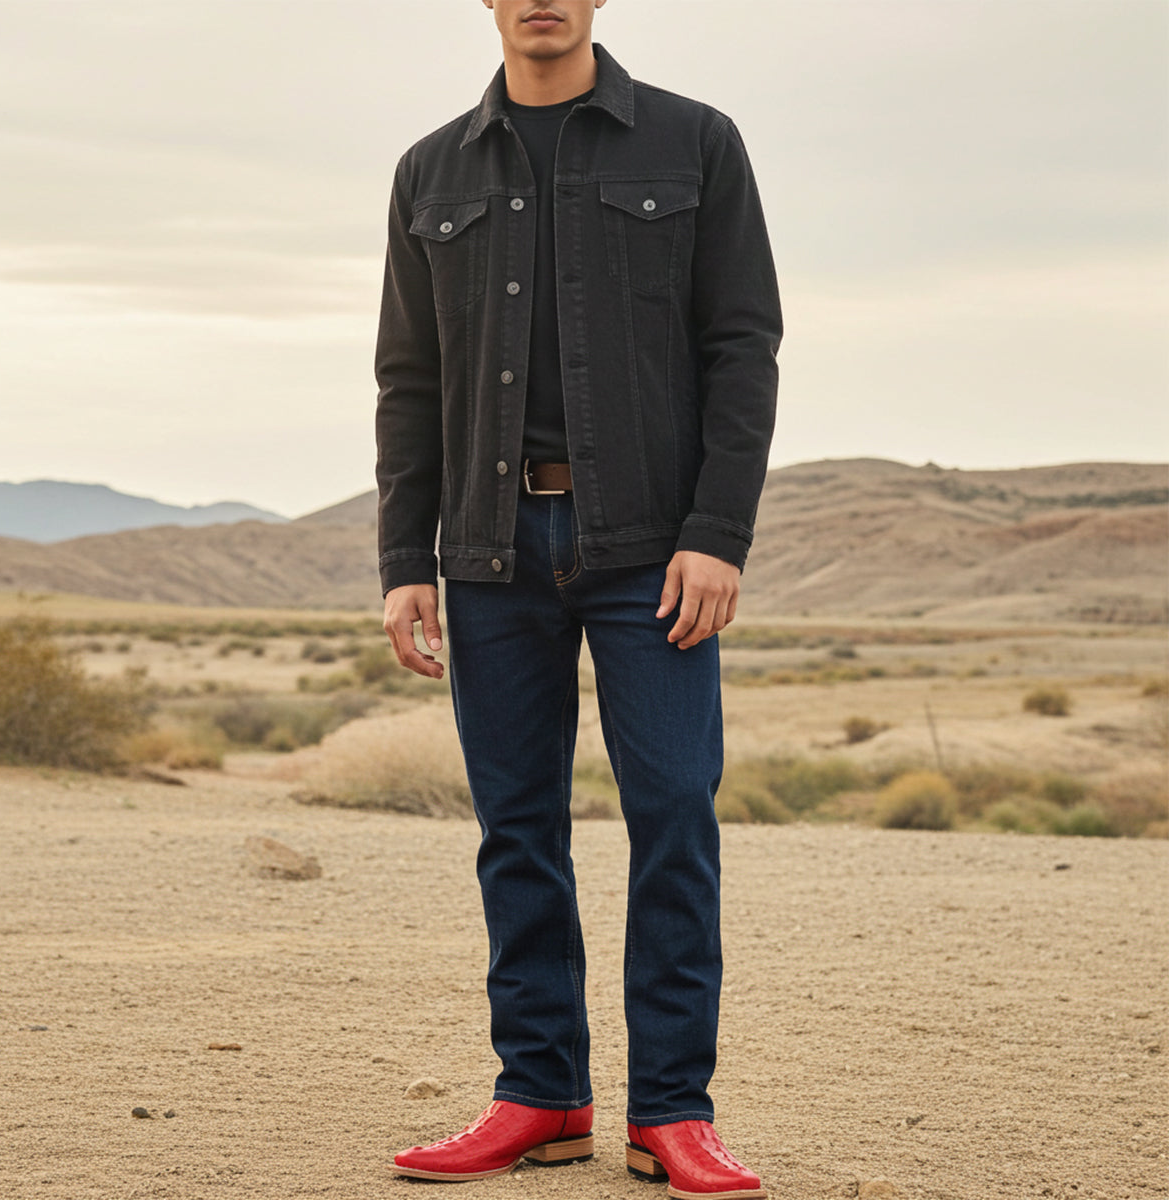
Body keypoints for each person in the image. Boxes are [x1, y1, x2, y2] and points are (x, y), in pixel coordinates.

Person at [375, 2, 781, 1195]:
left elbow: (742, 345)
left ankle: (674, 1110)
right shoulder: (431, 169)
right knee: (517, 831)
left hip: (649, 550)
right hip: (489, 550)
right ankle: (540, 1092)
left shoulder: (695, 142)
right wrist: (407, 556)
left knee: (673, 819)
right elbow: (410, 379)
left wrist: (717, 535)